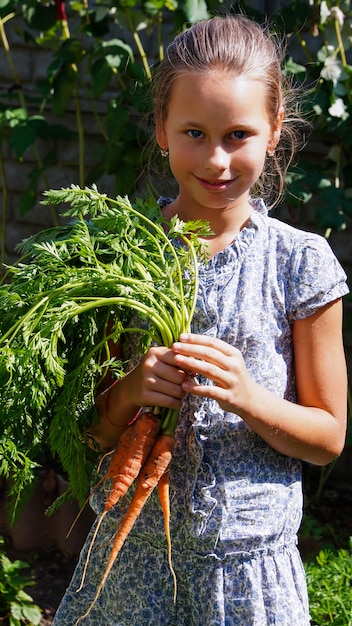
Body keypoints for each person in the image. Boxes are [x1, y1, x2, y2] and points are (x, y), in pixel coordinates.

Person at [53, 14, 349, 625]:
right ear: (161, 130)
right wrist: (130, 391)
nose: (216, 160)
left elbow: (328, 438)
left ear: (274, 134)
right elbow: (84, 440)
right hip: (129, 566)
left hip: (248, 577)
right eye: (194, 132)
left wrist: (248, 397)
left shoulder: (299, 263)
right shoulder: (121, 258)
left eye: (238, 134)